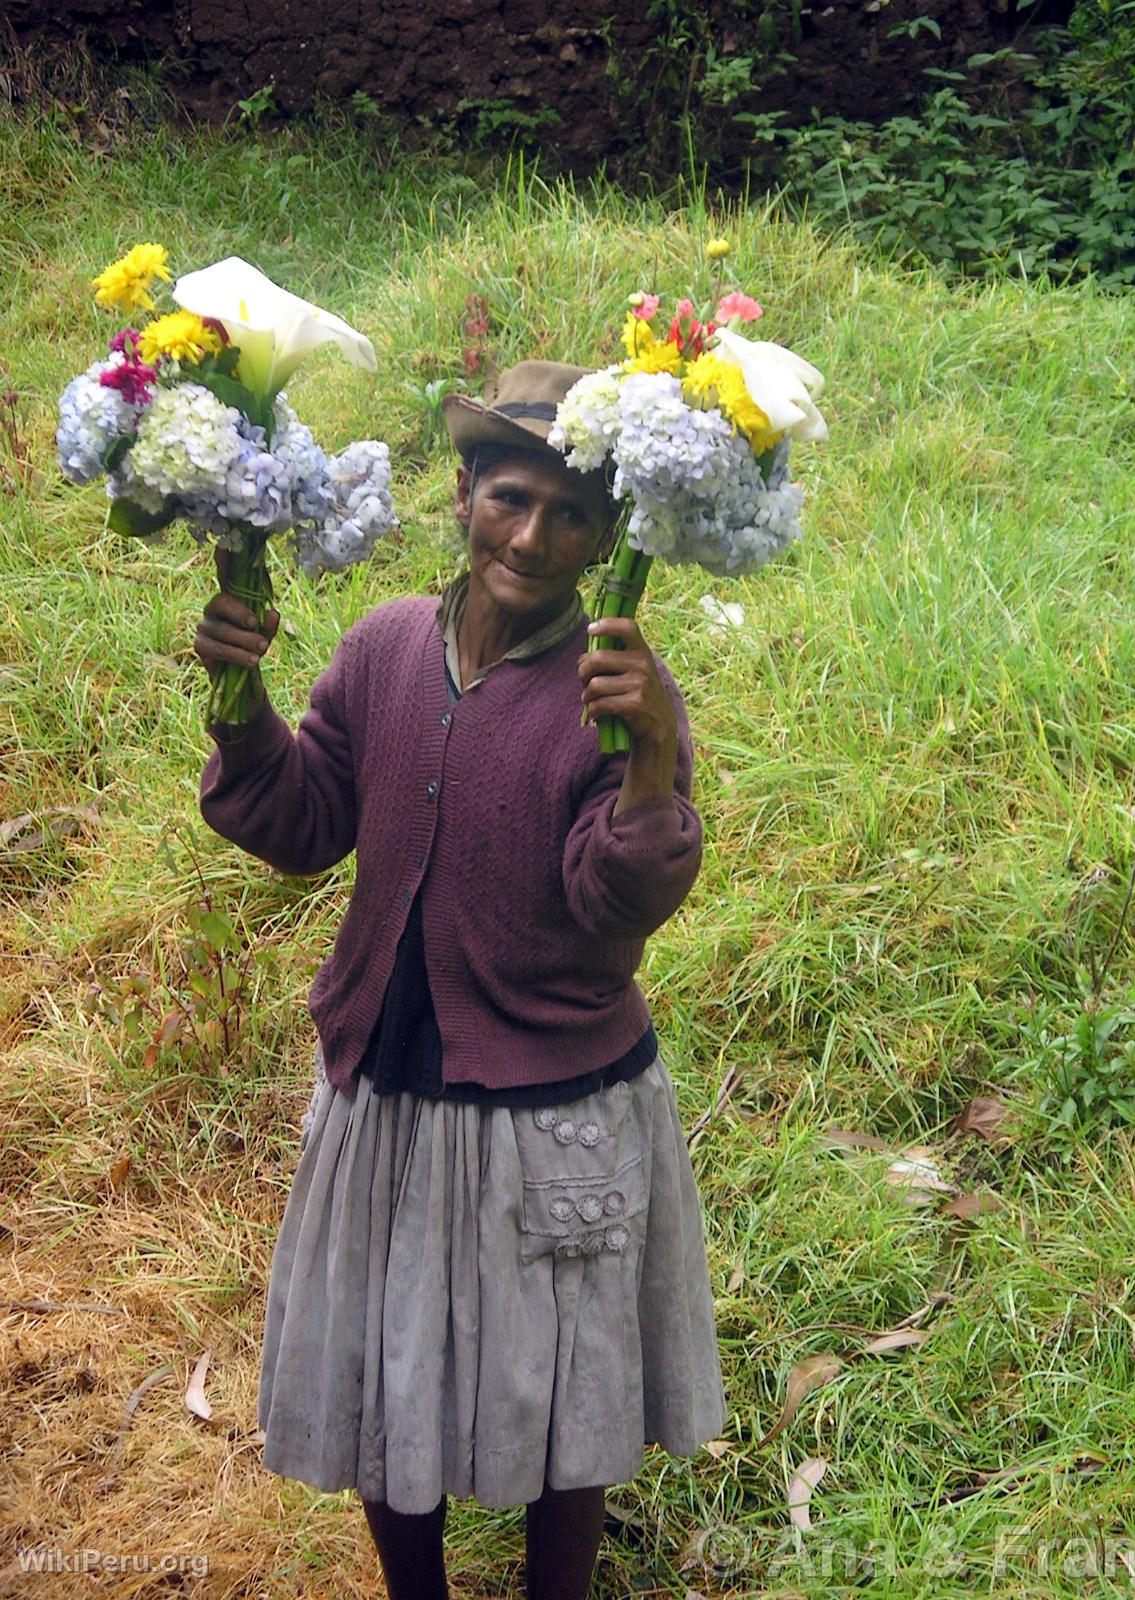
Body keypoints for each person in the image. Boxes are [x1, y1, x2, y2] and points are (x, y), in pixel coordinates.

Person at [194, 360, 727, 1600]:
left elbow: (618, 902)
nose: (533, 538)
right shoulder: (385, 645)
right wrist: (241, 702)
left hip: (555, 1106)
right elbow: (304, 815)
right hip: (388, 1082)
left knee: (566, 1384)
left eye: (572, 514)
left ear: (608, 536)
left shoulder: (613, 692)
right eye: (509, 499)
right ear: (462, 493)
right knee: (393, 1365)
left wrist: (651, 758)